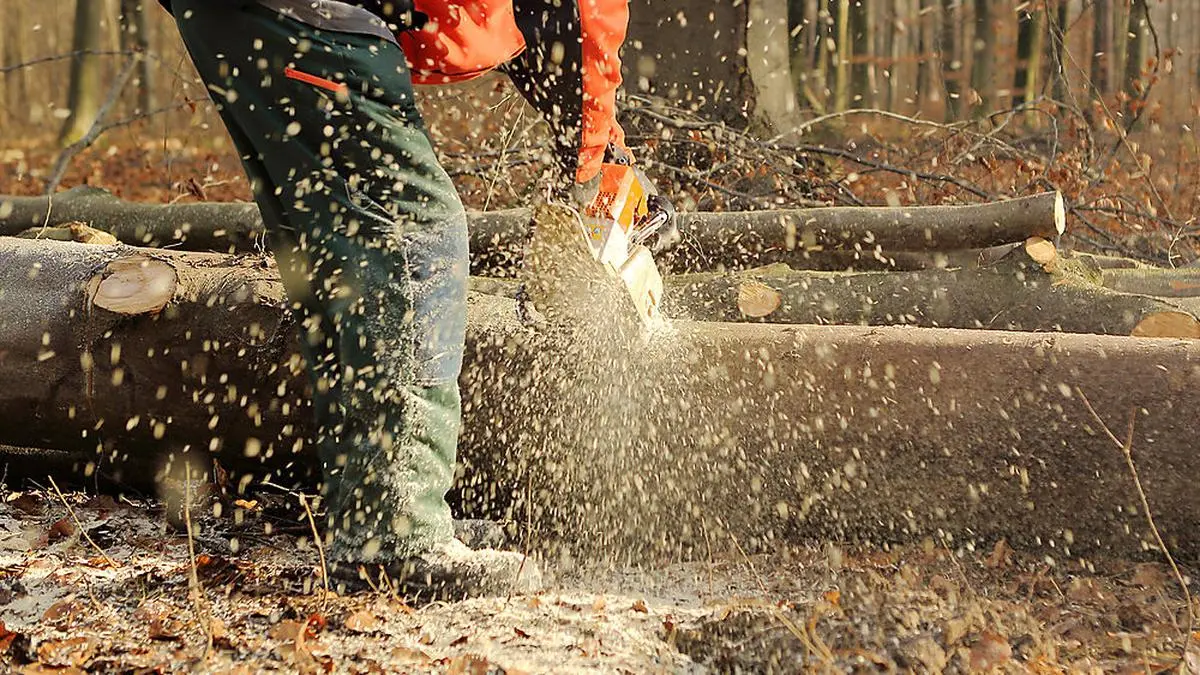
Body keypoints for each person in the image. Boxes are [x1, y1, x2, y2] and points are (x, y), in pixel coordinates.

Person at [156, 0, 651, 599]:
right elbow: (580, 21)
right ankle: (399, 536)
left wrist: (605, 147)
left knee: (339, 260)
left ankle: (367, 522)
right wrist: (590, 169)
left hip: (234, 16)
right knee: (415, 234)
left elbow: (544, 39)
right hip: (308, 17)